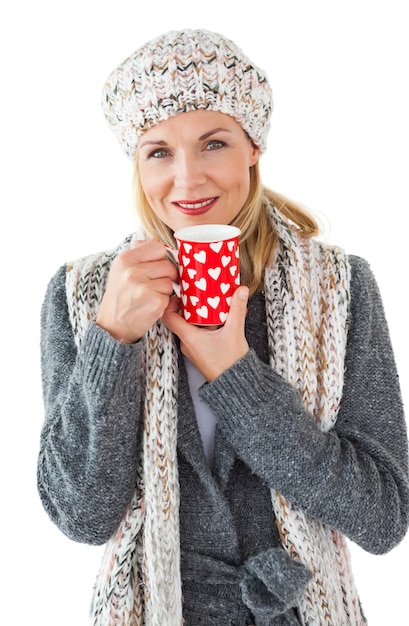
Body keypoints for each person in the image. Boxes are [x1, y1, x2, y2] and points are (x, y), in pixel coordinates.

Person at [37, 28, 409, 626]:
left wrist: (235, 371)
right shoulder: (83, 296)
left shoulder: (339, 289)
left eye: (213, 144)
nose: (187, 179)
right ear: (137, 161)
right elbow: (83, 515)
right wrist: (113, 342)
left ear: (253, 147)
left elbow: (383, 517)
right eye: (159, 151)